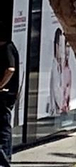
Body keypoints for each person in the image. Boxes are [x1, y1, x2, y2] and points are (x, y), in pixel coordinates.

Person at [0, 30, 17, 167]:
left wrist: (0, 85)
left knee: (4, 127)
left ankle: (5, 160)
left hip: (5, 95)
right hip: (6, 94)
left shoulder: (7, 48)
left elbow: (10, 69)